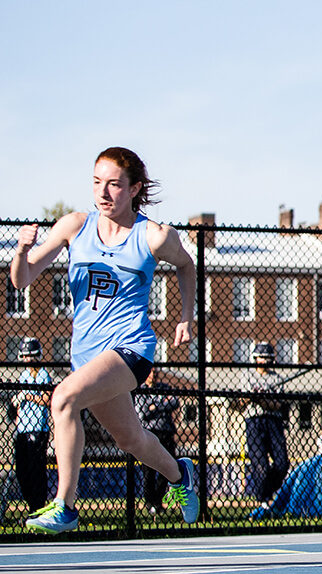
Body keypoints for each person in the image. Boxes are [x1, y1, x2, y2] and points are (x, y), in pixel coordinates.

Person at [11, 147, 199, 534]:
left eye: (114, 184)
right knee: (130, 439)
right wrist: (21, 250)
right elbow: (23, 279)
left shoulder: (153, 236)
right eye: (97, 182)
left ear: (134, 189)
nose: (103, 192)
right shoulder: (74, 226)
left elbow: (186, 264)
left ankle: (64, 505)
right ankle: (180, 475)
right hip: (87, 356)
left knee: (63, 398)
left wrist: (185, 316)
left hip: (131, 348)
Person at [237, 342, 289, 507]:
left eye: (267, 358)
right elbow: (240, 403)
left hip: (273, 421)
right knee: (260, 464)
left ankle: (267, 491)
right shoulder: (247, 376)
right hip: (254, 422)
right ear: (255, 359)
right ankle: (263, 500)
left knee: (282, 463)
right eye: (261, 358)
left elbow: (277, 405)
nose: (264, 361)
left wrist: (263, 400)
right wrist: (251, 397)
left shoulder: (277, 378)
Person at [11, 337, 52, 513]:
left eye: (32, 356)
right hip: (23, 427)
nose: (28, 360)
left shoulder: (42, 374)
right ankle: (31, 503)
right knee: (21, 468)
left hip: (38, 427)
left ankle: (37, 505)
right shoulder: (23, 374)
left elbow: (46, 399)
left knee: (36, 468)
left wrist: (27, 396)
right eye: (26, 356)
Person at [133, 367, 179, 515]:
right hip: (150, 433)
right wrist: (162, 404)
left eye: (155, 372)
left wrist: (155, 406)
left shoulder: (164, 387)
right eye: (150, 371)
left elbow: (175, 402)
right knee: (149, 471)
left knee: (168, 467)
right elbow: (143, 413)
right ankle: (150, 502)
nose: (153, 374)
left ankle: (158, 502)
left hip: (166, 432)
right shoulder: (140, 390)